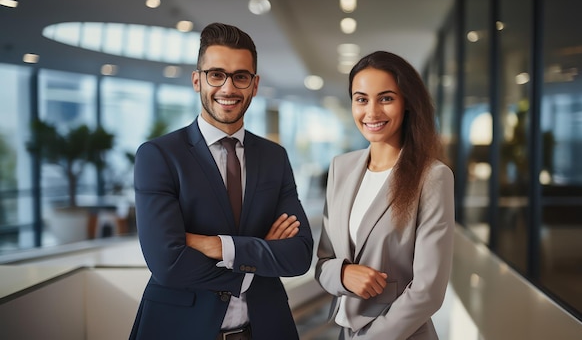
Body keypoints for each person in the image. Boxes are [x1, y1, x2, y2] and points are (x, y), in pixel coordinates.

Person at [130, 22, 313, 340]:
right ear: (197, 80)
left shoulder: (274, 157)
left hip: (265, 328)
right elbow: (167, 262)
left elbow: (298, 254)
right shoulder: (158, 155)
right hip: (179, 329)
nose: (228, 89)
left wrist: (217, 246)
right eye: (216, 75)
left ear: (254, 85)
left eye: (240, 77)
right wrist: (258, 256)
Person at [315, 51, 455, 339]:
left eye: (386, 98)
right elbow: (323, 263)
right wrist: (342, 274)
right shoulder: (341, 168)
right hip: (343, 332)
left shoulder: (432, 177)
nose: (372, 112)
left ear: (407, 104)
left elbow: (429, 291)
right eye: (362, 99)